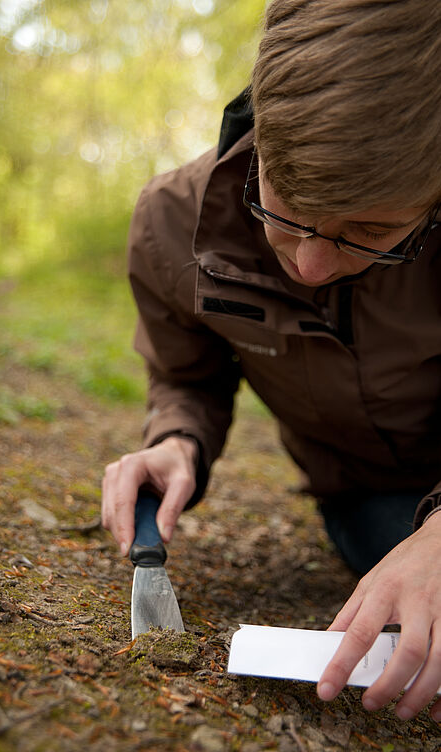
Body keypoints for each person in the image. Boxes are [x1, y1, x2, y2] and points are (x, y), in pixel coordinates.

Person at [102, 0, 441, 722]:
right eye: (285, 208)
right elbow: (186, 374)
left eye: (371, 231)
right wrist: (176, 440)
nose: (312, 266)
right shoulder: (172, 222)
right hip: (368, 495)